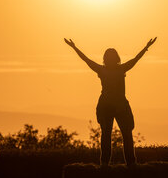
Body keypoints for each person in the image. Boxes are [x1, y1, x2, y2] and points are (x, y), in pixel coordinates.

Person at [64, 37, 157, 166]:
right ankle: (118, 163)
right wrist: (74, 47)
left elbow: (86, 60)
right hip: (113, 106)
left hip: (114, 106)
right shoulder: (116, 69)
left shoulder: (107, 69)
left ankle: (114, 163)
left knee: (115, 134)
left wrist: (146, 47)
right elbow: (135, 59)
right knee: (115, 135)